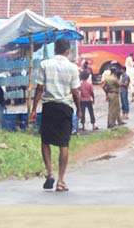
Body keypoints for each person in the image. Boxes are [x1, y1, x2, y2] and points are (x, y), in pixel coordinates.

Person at [30, 38, 81, 192]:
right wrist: (79, 109)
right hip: (65, 107)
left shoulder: (45, 64)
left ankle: (50, 173)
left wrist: (33, 110)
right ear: (67, 51)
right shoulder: (73, 68)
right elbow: (75, 91)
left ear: (55, 50)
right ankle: (60, 181)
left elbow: (39, 88)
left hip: (49, 107)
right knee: (63, 144)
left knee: (45, 141)